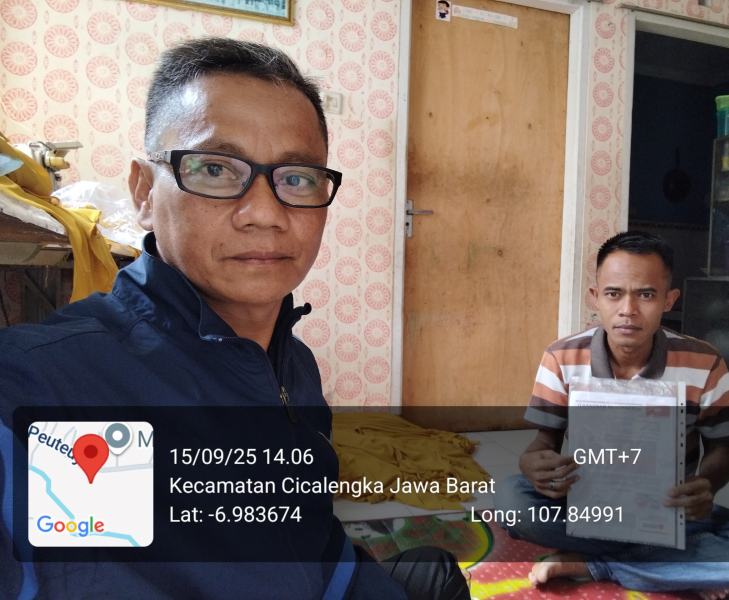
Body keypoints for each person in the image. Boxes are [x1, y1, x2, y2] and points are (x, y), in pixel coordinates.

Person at [0, 39, 469, 600]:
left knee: (435, 568)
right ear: (144, 191)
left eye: (296, 178)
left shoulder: (294, 365)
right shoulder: (46, 388)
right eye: (216, 169)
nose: (265, 214)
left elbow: (309, 538)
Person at [494, 231, 729, 600]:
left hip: (669, 511)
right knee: (511, 500)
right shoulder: (562, 358)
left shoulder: (703, 362)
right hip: (589, 507)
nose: (628, 310)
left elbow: (722, 449)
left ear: (669, 299)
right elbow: (544, 442)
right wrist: (532, 465)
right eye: (613, 294)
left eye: (646, 295)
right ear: (595, 297)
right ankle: (670, 565)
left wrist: (707, 484)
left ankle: (596, 563)